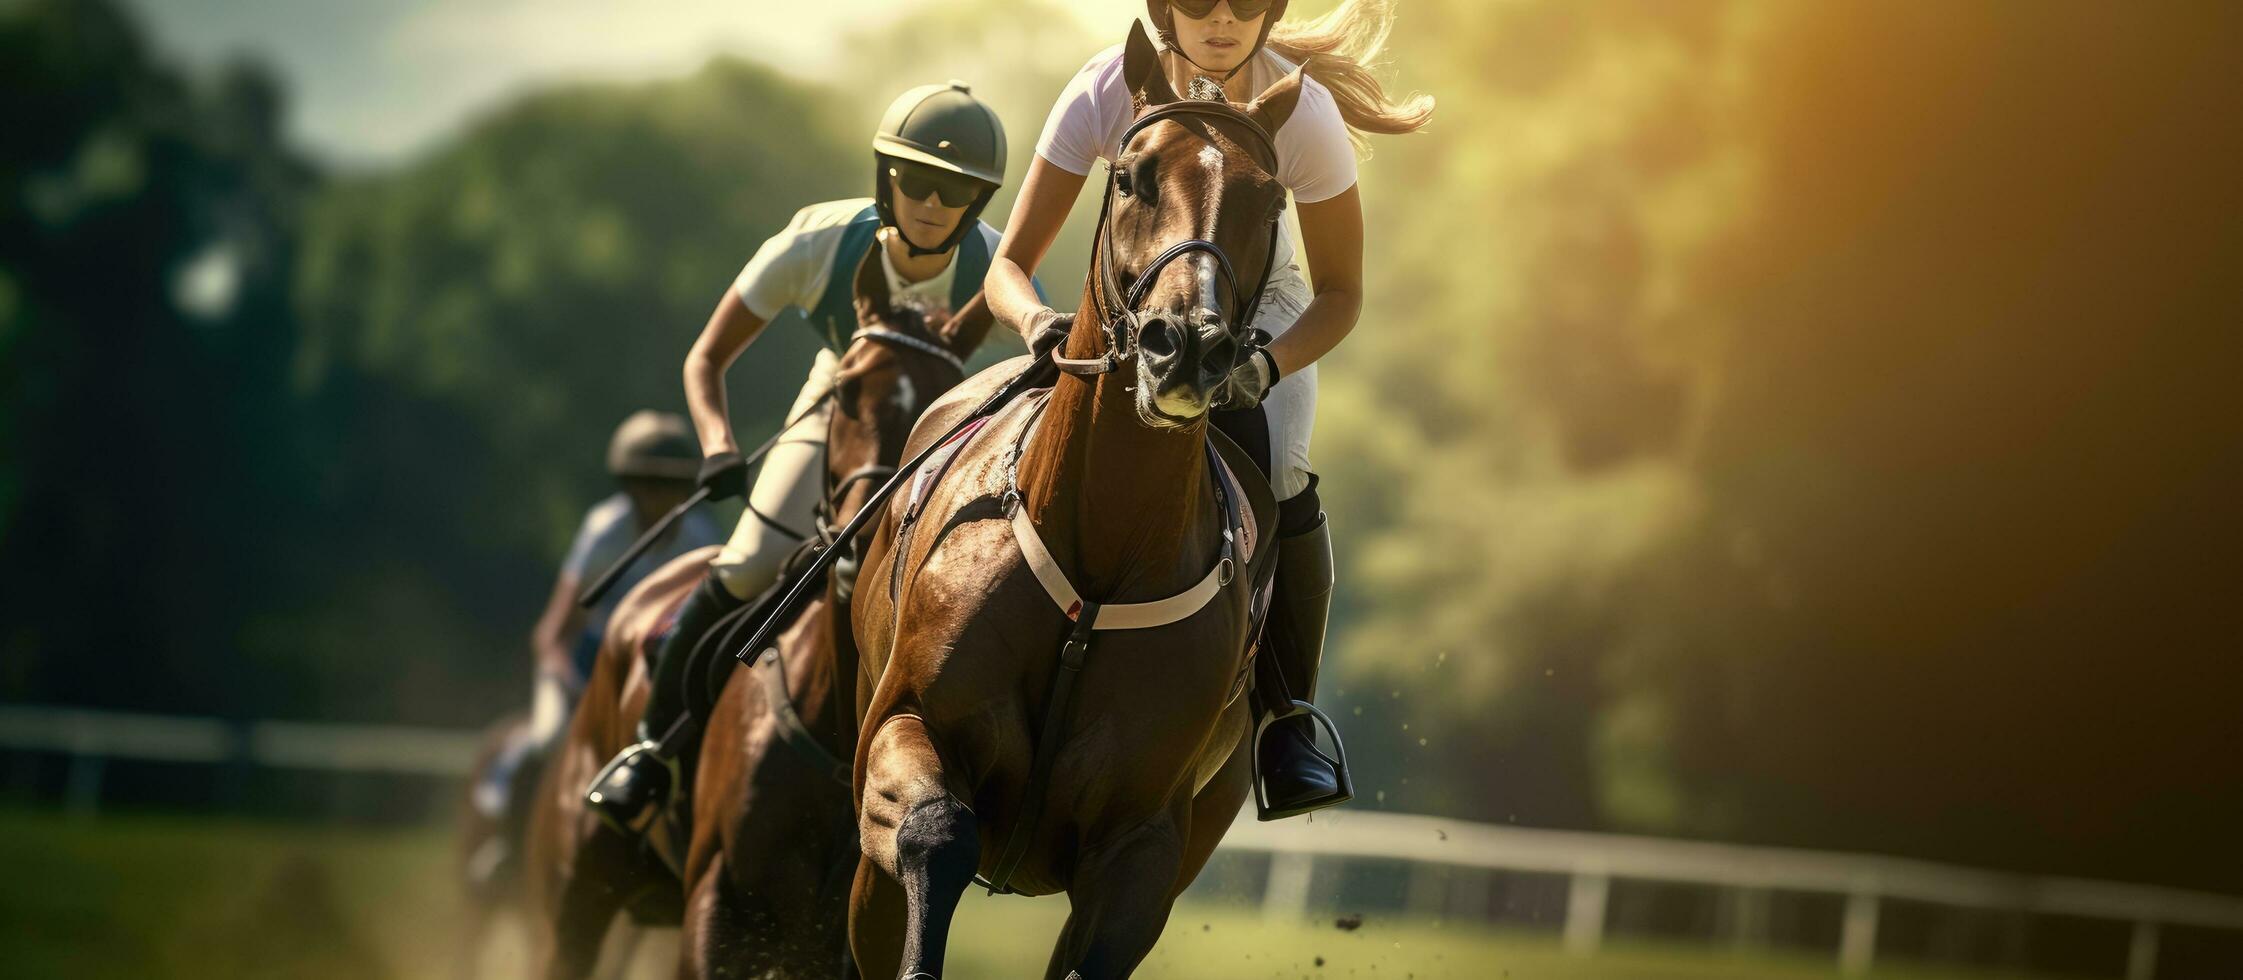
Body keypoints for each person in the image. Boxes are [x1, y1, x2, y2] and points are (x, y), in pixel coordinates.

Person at [984, 0, 1433, 818]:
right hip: (1131, 293)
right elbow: (1008, 263)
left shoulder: (1306, 113)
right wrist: (1034, 323)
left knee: (1284, 468)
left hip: (1261, 302)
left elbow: (1341, 293)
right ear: (1163, 9)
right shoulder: (1100, 90)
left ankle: (1286, 719)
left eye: (1246, 0)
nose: (1222, 17)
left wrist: (1266, 367)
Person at [585, 82, 1037, 833]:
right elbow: (706, 359)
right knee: (752, 559)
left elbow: (1036, 373)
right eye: (916, 180)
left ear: (979, 202)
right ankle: (650, 752)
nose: (931, 201)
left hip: (936, 421)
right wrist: (718, 446)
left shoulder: (996, 272)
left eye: (955, 189)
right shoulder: (817, 243)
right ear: (883, 178)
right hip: (841, 396)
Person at [473, 411, 722, 832]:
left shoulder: (701, 539)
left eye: (672, 483)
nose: (659, 494)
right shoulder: (605, 532)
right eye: (646, 482)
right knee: (548, 738)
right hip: (587, 665)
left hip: (656, 674)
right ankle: (506, 844)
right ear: (628, 484)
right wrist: (567, 682)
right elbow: (552, 632)